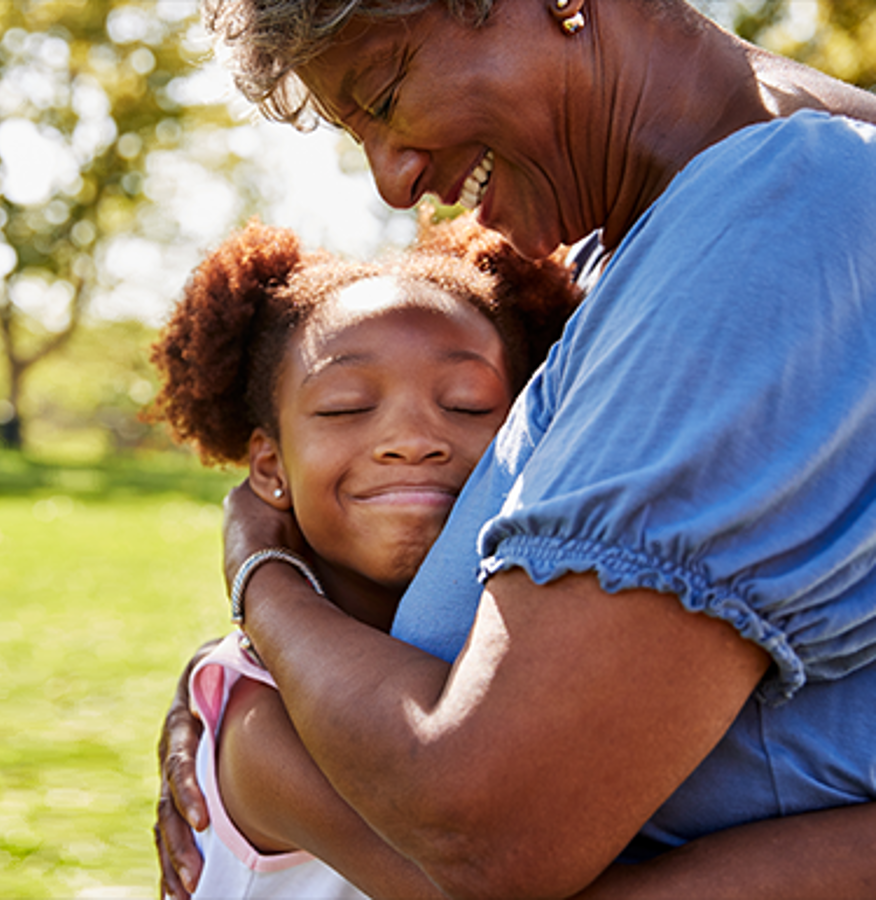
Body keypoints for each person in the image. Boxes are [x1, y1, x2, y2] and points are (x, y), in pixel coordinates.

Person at [156, 0, 876, 897]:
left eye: (383, 95)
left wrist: (259, 573)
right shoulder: (620, 260)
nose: (392, 181)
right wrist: (241, 684)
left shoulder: (776, 217)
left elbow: (486, 830)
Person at [149, 214, 578, 898]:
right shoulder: (263, 721)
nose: (412, 439)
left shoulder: (517, 641)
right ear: (269, 464)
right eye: (347, 407)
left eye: (468, 405)